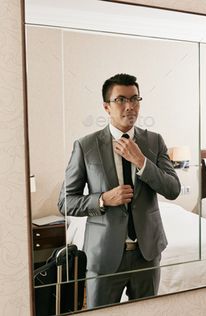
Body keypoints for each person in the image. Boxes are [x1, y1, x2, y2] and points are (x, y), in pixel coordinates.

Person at [58, 73, 180, 308]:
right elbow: (65, 202)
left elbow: (173, 190)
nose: (130, 106)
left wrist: (142, 161)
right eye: (121, 100)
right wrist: (103, 199)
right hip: (104, 256)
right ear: (106, 106)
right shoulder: (85, 146)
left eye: (135, 99)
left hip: (148, 253)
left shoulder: (155, 142)